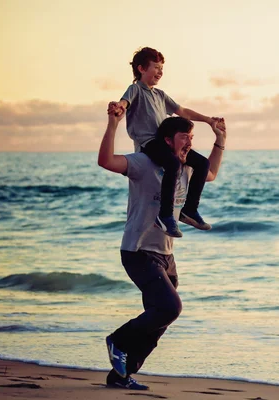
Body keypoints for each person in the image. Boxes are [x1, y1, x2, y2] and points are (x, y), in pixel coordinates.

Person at [97, 109, 226, 390]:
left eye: (192, 137)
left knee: (158, 323)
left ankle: (121, 375)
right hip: (139, 250)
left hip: (166, 255)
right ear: (168, 140)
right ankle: (117, 340)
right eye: (184, 137)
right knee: (170, 308)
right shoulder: (144, 163)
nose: (190, 143)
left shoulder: (185, 168)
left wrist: (220, 140)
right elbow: (105, 161)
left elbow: (212, 173)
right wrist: (113, 124)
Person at [108, 47, 222, 238]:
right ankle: (165, 215)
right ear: (141, 68)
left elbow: (183, 111)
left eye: (162, 68)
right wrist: (119, 107)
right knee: (173, 163)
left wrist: (209, 120)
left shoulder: (160, 95)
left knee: (203, 164)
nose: (160, 72)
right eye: (156, 67)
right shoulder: (135, 89)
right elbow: (125, 103)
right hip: (149, 142)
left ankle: (189, 210)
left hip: (166, 142)